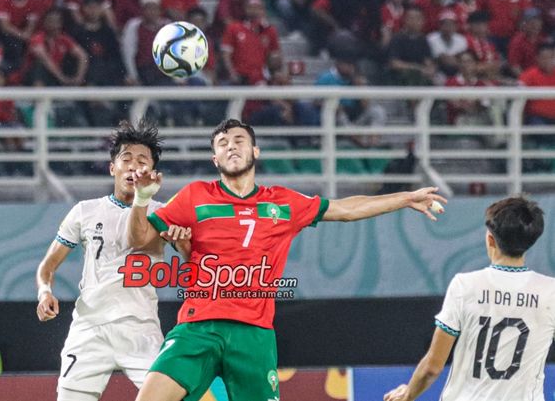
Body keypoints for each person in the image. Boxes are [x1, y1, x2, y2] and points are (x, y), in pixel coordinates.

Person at [127, 119, 447, 401]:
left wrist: (405, 198)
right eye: (222, 144)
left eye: (239, 140)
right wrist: (142, 199)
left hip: (253, 335)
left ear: (255, 152)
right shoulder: (194, 196)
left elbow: (346, 209)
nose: (231, 147)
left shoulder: (282, 202)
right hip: (197, 327)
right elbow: (138, 241)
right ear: (215, 158)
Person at [36, 120, 192, 401]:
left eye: (142, 161)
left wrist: (184, 242)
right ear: (112, 168)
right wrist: (44, 291)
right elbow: (48, 266)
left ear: (153, 173)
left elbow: (192, 259)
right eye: (126, 159)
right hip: (89, 327)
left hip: (141, 329)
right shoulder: (84, 211)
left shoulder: (165, 213)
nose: (134, 166)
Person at [384, 196, 555, 401]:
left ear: (490, 239)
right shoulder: (550, 291)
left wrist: (408, 394)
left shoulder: (465, 286)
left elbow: (433, 367)